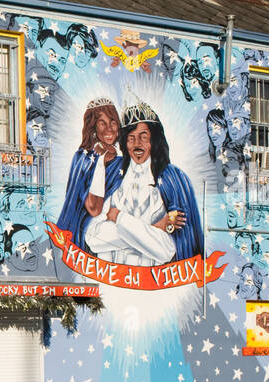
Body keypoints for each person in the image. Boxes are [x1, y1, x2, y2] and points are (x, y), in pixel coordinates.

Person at [84, 100, 204, 266]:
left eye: (143, 137)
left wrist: (120, 218)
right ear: (126, 144)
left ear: (153, 141)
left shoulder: (170, 178)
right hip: (111, 282)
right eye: (131, 138)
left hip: (156, 284)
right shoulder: (114, 176)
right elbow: (93, 238)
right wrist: (155, 228)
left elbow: (166, 250)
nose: (137, 144)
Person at [58, 98, 124, 246]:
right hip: (89, 237)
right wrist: (100, 162)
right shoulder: (83, 158)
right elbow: (94, 208)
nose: (109, 129)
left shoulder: (124, 160)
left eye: (113, 122)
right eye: (102, 123)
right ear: (93, 127)